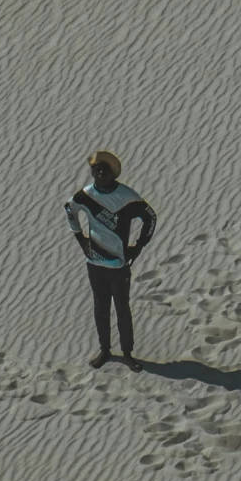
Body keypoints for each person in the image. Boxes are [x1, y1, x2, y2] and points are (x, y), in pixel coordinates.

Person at [65, 150, 155, 368]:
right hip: (94, 264)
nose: (100, 172)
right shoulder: (86, 195)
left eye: (105, 169)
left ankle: (127, 353)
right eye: (97, 169)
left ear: (113, 173)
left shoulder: (127, 196)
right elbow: (70, 209)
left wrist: (138, 247)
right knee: (100, 307)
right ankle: (104, 350)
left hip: (119, 265)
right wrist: (81, 239)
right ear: (92, 171)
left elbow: (150, 217)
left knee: (122, 308)